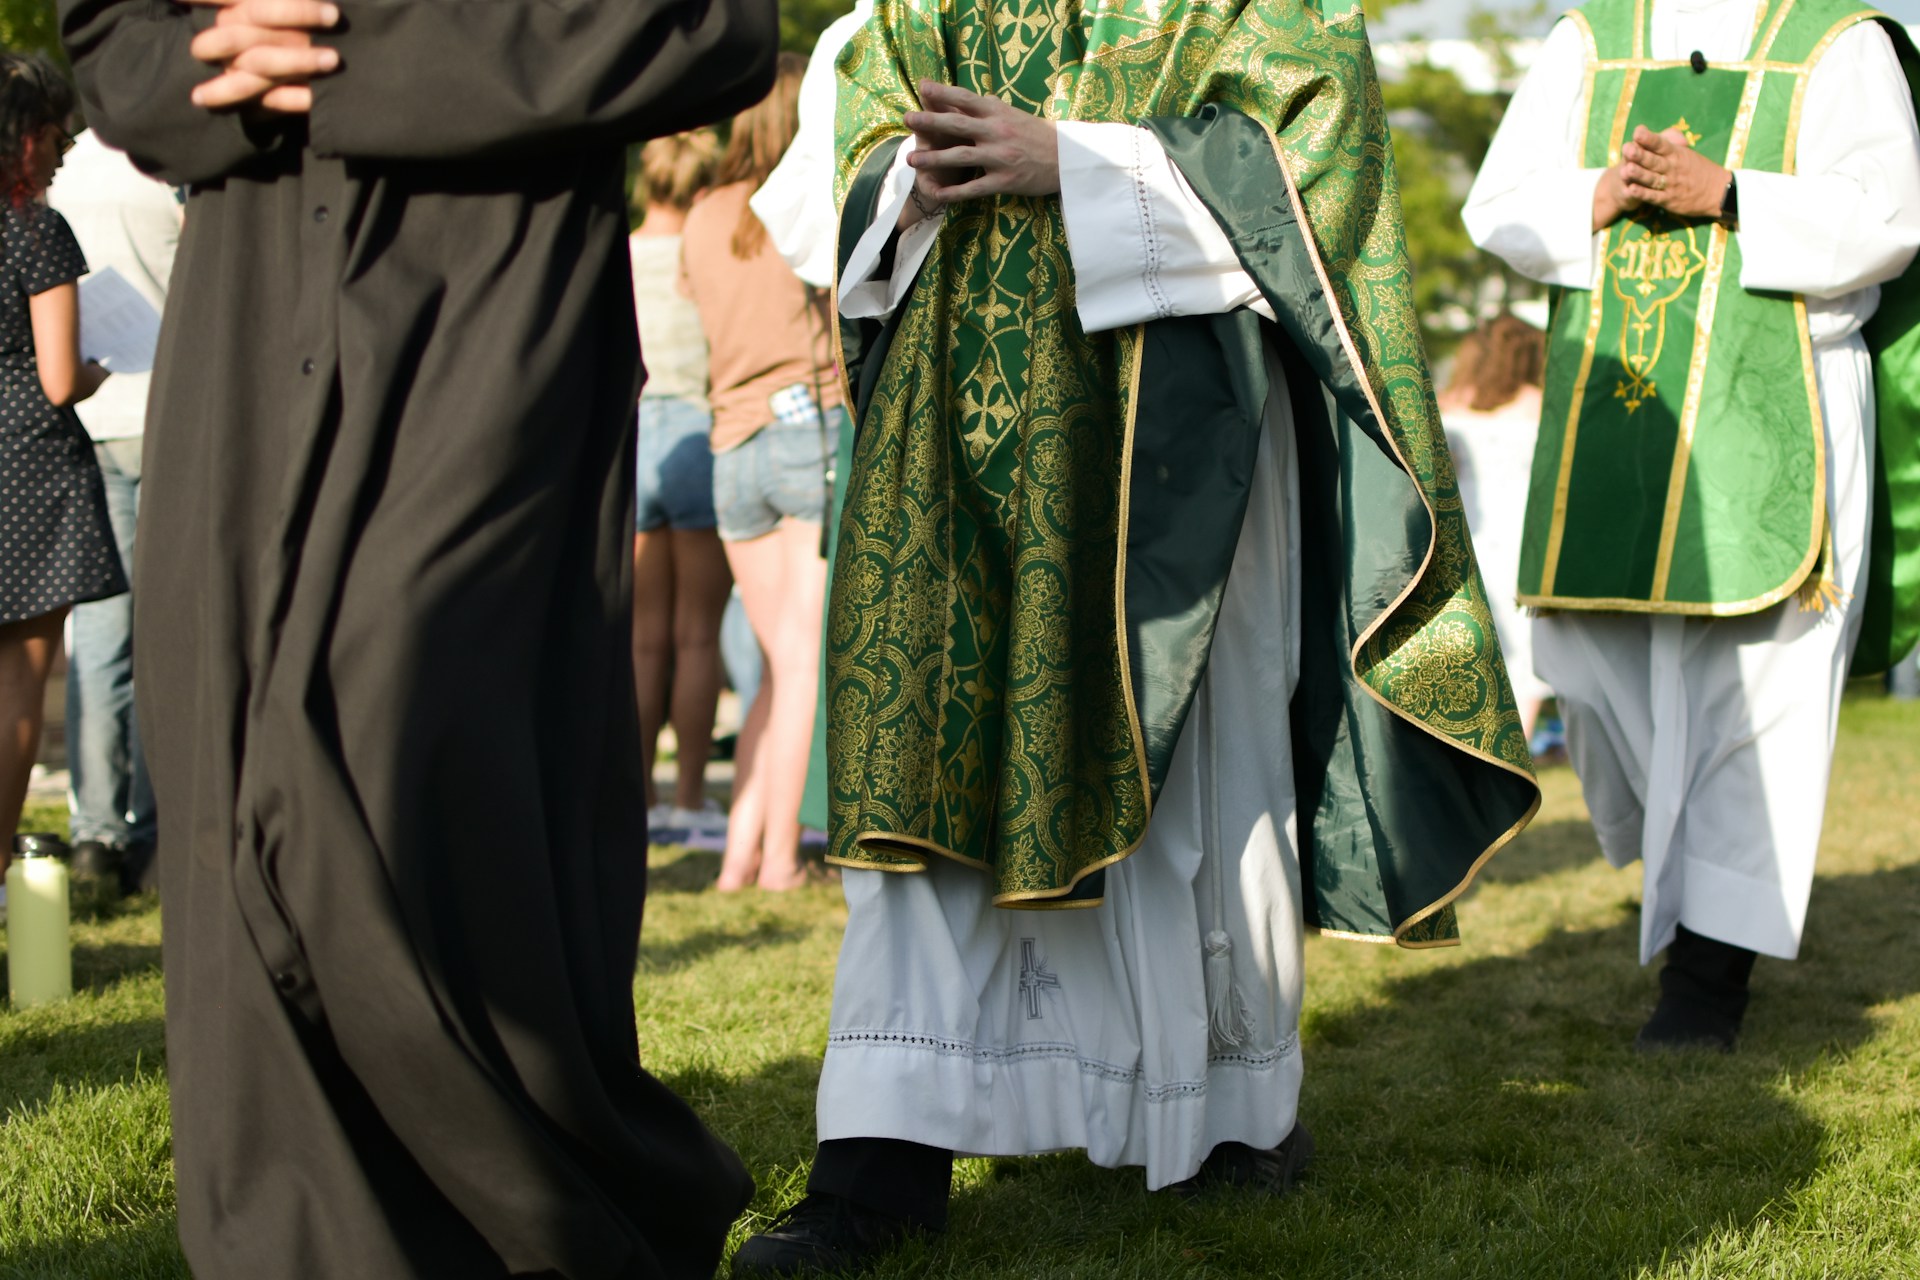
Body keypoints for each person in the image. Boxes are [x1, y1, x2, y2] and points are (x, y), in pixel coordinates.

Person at [732, 0, 1541, 1273]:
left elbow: (1315, 168)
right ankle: (880, 1160)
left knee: (1198, 787)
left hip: (1177, 430)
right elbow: (838, 165)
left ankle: (1226, 1115)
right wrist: (903, 174)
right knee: (939, 768)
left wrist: (1082, 163)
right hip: (959, 424)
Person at [58, 0, 777, 1275]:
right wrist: (202, 67)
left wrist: (355, 64)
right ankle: (298, 1234)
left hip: (491, 287)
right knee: (223, 750)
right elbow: (112, 33)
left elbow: (708, 25)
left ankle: (544, 1200)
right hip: (256, 278)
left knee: (393, 721)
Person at [1463, 0, 1920, 1052]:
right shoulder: (1593, 36)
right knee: (1583, 653)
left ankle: (1709, 978)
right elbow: (1501, 203)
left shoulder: (1836, 38)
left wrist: (1733, 193)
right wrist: (1602, 189)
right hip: (1619, 405)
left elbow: (1892, 214)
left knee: (1752, 688)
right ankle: (1679, 886)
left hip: (1779, 393)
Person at [681, 54, 844, 893]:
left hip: (729, 444)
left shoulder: (700, 214)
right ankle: (781, 858)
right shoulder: (801, 208)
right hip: (800, 430)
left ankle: (739, 855)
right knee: (802, 660)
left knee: (775, 667)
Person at [0, 53, 120, 883]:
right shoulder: (36, 228)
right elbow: (56, 376)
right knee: (17, 694)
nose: (66, 149)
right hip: (30, 472)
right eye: (57, 133)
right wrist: (97, 370)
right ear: (27, 138)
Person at [49, 126, 177, 895]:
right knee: (166, 630)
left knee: (99, 635)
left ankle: (95, 831)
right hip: (163, 411)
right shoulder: (171, 165)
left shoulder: (64, 173)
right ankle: (156, 828)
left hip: (91, 419)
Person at [631, 130, 731, 845]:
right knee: (698, 637)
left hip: (635, 439)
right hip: (699, 431)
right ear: (701, 190)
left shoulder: (621, 254)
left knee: (641, 639)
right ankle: (691, 796)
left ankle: (637, 795)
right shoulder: (707, 253)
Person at [1438, 314, 1553, 742]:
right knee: (1523, 653)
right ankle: (1516, 748)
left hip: (1467, 532)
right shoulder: (1538, 402)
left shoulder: (1452, 401)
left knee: (1470, 645)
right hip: (1522, 534)